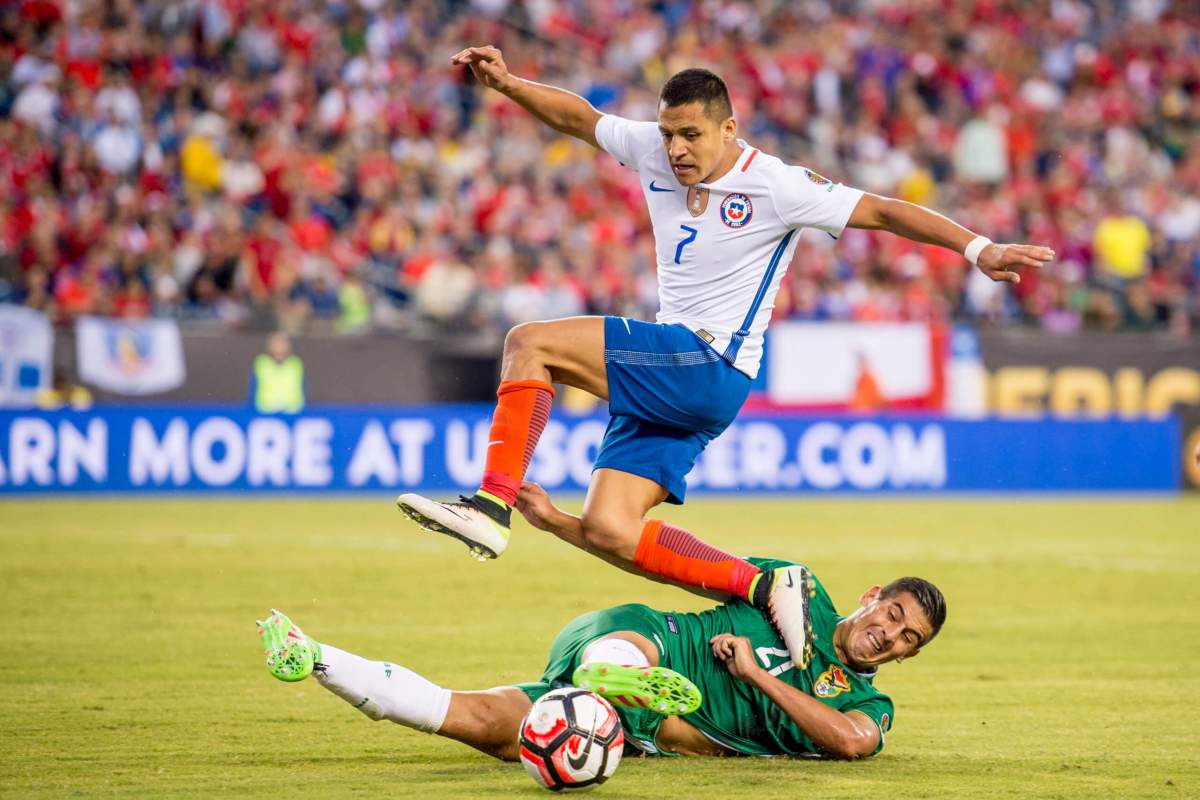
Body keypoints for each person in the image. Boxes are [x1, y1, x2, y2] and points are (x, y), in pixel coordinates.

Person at [396, 47, 1044, 668]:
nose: (676, 148)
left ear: (728, 128)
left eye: (691, 135)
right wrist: (508, 84)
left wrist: (976, 249)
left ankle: (489, 503)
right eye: (668, 133)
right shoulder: (653, 148)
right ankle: (764, 587)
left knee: (529, 343)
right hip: (689, 379)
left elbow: (880, 210)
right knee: (608, 528)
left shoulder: (777, 185)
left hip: (706, 362)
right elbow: (579, 118)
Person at [258, 512, 945, 761]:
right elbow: (680, 563)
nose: (890, 636)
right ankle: (609, 673)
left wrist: (757, 676)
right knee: (632, 645)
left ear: (910, 656)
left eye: (908, 639)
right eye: (892, 615)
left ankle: (317, 658)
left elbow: (851, 744)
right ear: (871, 597)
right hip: (653, 641)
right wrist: (567, 526)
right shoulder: (800, 589)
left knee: (482, 719)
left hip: (629, 731)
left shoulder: (868, 708)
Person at [249, 331, 305, 414]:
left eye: (282, 343)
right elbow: (253, 386)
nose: (279, 347)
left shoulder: (295, 363)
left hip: (292, 411)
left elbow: (302, 386)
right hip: (265, 411)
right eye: (277, 343)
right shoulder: (261, 362)